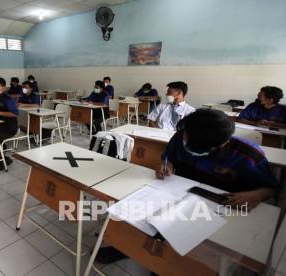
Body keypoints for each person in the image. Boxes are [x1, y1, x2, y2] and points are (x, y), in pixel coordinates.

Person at [97, 109, 279, 265]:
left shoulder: (249, 156)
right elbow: (168, 158)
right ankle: (126, 247)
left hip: (220, 205)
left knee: (180, 236)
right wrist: (166, 166)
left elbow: (270, 189)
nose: (183, 141)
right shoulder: (182, 137)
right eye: (184, 136)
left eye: (188, 141)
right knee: (139, 213)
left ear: (219, 145)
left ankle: (165, 261)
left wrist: (255, 195)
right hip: (176, 191)